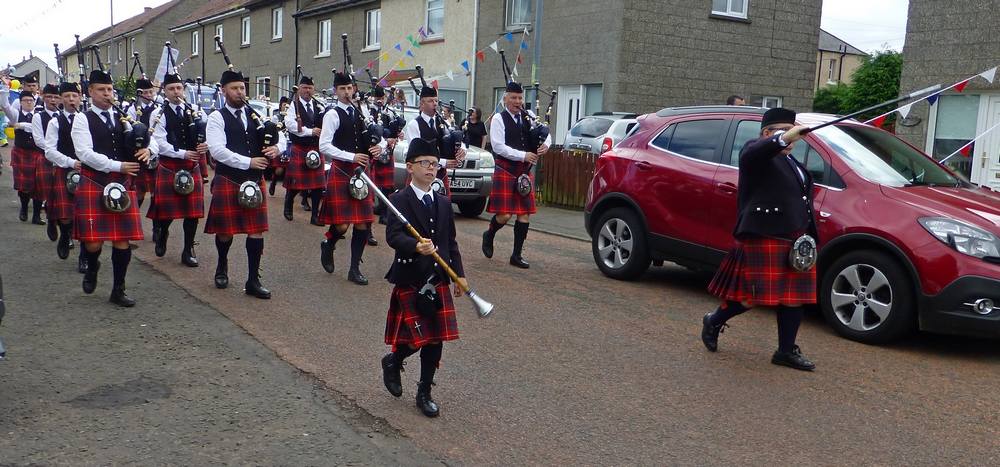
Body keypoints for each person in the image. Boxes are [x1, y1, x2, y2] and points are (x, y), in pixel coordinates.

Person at [701, 107, 818, 371]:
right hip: (764, 233)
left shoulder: (792, 163)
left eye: (792, 133)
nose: (791, 139)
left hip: (795, 237)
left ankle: (785, 351)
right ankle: (714, 320)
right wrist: (782, 138)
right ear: (766, 133)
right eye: (783, 132)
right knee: (752, 296)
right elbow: (756, 151)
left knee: (793, 297)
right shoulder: (755, 154)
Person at [380, 137, 467, 418]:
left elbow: (450, 243)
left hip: (437, 277)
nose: (431, 168)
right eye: (424, 163)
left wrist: (459, 277)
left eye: (434, 164)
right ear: (410, 167)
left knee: (435, 339)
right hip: (410, 277)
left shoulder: (443, 203)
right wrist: (415, 245)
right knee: (416, 339)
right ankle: (394, 360)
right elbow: (393, 236)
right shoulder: (398, 200)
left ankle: (424, 391)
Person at [71, 69, 153, 307]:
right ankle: (92, 265)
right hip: (95, 182)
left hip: (122, 183)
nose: (107, 94)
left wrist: (148, 149)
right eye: (101, 90)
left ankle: (118, 289)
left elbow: (149, 137)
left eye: (109, 90)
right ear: (91, 92)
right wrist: (117, 165)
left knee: (122, 240)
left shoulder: (125, 115)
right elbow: (84, 153)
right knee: (94, 242)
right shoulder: (82, 118)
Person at [204, 68, 279, 299]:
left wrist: (277, 148)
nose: (239, 92)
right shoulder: (217, 117)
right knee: (226, 232)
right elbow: (217, 151)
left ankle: (253, 279)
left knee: (256, 231)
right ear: (224, 90)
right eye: (235, 88)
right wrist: (249, 162)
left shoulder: (255, 115)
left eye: (242, 88)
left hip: (254, 182)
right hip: (229, 179)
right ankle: (222, 264)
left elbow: (280, 135)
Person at [316, 72, 386, 285]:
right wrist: (351, 156)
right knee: (342, 226)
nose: (347, 92)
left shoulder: (362, 111)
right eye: (342, 89)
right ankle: (329, 243)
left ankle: (354, 268)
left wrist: (377, 148)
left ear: (354, 89)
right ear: (336, 91)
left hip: (363, 171)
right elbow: (324, 146)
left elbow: (380, 139)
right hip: (344, 170)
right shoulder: (332, 114)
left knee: (363, 224)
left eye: (349, 88)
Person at [481, 80, 551, 269]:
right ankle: (490, 234)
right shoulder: (498, 119)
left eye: (520, 97)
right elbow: (498, 147)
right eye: (514, 97)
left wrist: (546, 145)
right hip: (506, 170)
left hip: (525, 172)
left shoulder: (529, 115)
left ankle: (516, 255)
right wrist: (523, 155)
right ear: (505, 99)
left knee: (524, 214)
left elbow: (545, 132)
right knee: (504, 216)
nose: (518, 101)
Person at [146, 72, 207, 267]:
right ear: (164, 91)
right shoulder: (158, 113)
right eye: (171, 89)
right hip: (170, 165)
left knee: (193, 213)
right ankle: (163, 233)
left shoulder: (196, 110)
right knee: (167, 212)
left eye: (179, 88)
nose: (176, 92)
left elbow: (208, 133)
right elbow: (158, 142)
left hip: (191, 165)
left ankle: (188, 249)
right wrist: (183, 153)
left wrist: (206, 145)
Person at [43, 81, 88, 272]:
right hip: (65, 170)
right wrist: (71, 162)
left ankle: (84, 257)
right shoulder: (55, 122)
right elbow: (49, 151)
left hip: (87, 171)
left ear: (80, 98)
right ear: (61, 99)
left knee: (86, 217)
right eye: (67, 96)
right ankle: (66, 234)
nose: (71, 99)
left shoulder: (87, 119)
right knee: (67, 215)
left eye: (74, 96)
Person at [401, 82, 466, 196]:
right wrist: (444, 162)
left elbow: (455, 138)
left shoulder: (443, 122)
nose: (435, 104)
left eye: (436, 101)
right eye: (431, 101)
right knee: (417, 209)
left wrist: (462, 150)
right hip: (420, 173)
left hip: (440, 173)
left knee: (442, 209)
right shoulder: (414, 124)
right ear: (421, 104)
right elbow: (417, 153)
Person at [282, 74, 326, 225]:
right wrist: (310, 131)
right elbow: (290, 124)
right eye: (305, 88)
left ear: (313, 89)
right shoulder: (293, 105)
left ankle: (315, 216)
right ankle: (288, 203)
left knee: (318, 185)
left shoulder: (319, 105)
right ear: (299, 89)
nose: (307, 90)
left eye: (310, 88)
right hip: (300, 147)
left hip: (316, 148)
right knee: (295, 183)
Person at [1, 80, 46, 224]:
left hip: (38, 153)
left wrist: (22, 125)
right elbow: (5, 105)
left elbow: (40, 128)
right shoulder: (15, 114)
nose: (28, 102)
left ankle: (37, 216)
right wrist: (4, 88)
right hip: (21, 152)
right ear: (20, 102)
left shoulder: (40, 115)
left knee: (40, 185)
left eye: (30, 100)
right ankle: (24, 208)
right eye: (25, 100)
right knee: (24, 186)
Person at [32, 83, 63, 238]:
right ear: (43, 98)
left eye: (56, 97)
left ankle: (66, 233)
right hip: (46, 158)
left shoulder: (66, 116)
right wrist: (54, 151)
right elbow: (38, 140)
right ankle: (51, 219)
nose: (53, 100)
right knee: (50, 194)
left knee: (64, 195)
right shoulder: (38, 116)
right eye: (49, 97)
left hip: (64, 161)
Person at [128, 78, 159, 213]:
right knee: (139, 191)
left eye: (151, 92)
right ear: (139, 94)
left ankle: (157, 226)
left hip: (155, 151)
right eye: (145, 93)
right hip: (139, 153)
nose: (149, 95)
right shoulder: (131, 110)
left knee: (156, 191)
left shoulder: (159, 108)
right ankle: (135, 217)